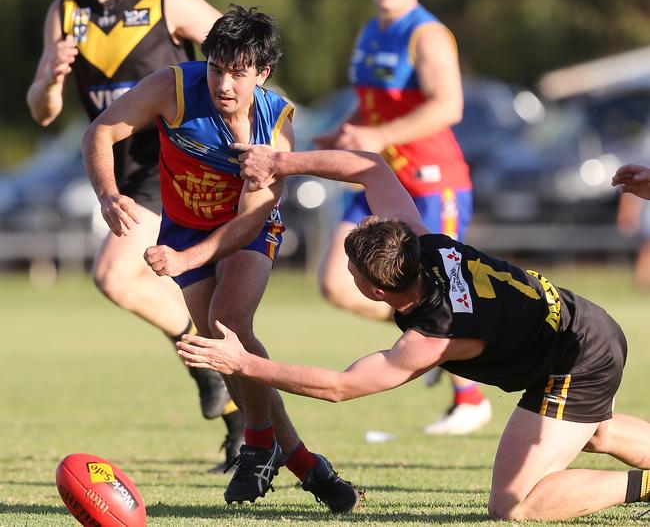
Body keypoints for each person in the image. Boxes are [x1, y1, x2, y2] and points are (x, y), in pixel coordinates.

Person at [177, 144, 650, 521]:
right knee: (591, 430)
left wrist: (244, 363)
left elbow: (341, 387)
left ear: (380, 292)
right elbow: (373, 167)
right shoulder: (422, 244)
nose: (347, 275)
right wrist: (282, 161)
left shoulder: (432, 336)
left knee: (514, 505)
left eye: (353, 273)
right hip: (581, 321)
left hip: (577, 359)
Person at [81, 5, 361, 512]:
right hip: (187, 223)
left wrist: (186, 261)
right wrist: (107, 194)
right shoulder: (174, 87)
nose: (224, 83)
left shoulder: (276, 127)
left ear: (262, 73)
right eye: (216, 68)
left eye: (238, 72)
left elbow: (250, 222)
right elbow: (100, 131)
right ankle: (302, 463)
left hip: (245, 227)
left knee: (227, 322)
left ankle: (257, 445)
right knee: (219, 343)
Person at [24, 0, 243, 471]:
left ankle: (208, 369)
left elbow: (242, 55)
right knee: (196, 301)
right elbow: (43, 111)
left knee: (114, 275)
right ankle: (233, 412)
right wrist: (50, 76)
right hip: (125, 174)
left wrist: (243, 124)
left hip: (181, 167)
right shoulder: (65, 13)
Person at [314, 0, 490, 434]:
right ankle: (432, 348)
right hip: (380, 180)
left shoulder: (427, 35)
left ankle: (470, 398)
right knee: (335, 283)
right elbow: (367, 106)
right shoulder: (370, 31)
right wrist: (325, 138)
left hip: (434, 183)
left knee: (448, 297)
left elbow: (448, 105)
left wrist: (377, 133)